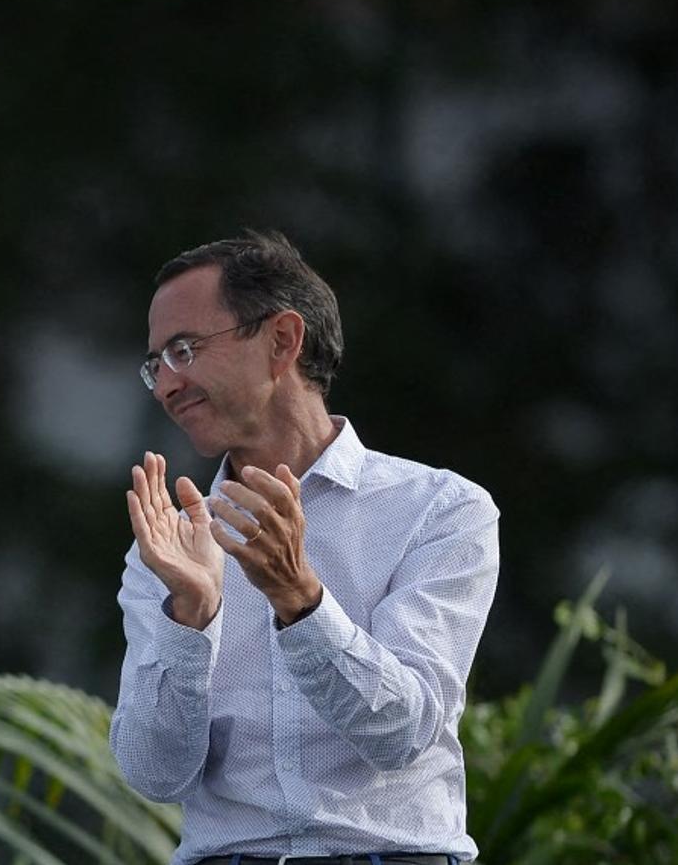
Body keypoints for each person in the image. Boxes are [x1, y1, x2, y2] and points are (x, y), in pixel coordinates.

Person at [109, 231, 499, 865]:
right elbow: (154, 775)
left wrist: (298, 596)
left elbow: (401, 733)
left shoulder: (441, 510)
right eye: (156, 364)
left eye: (184, 350)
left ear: (283, 341)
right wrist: (192, 616)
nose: (165, 386)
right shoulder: (171, 544)